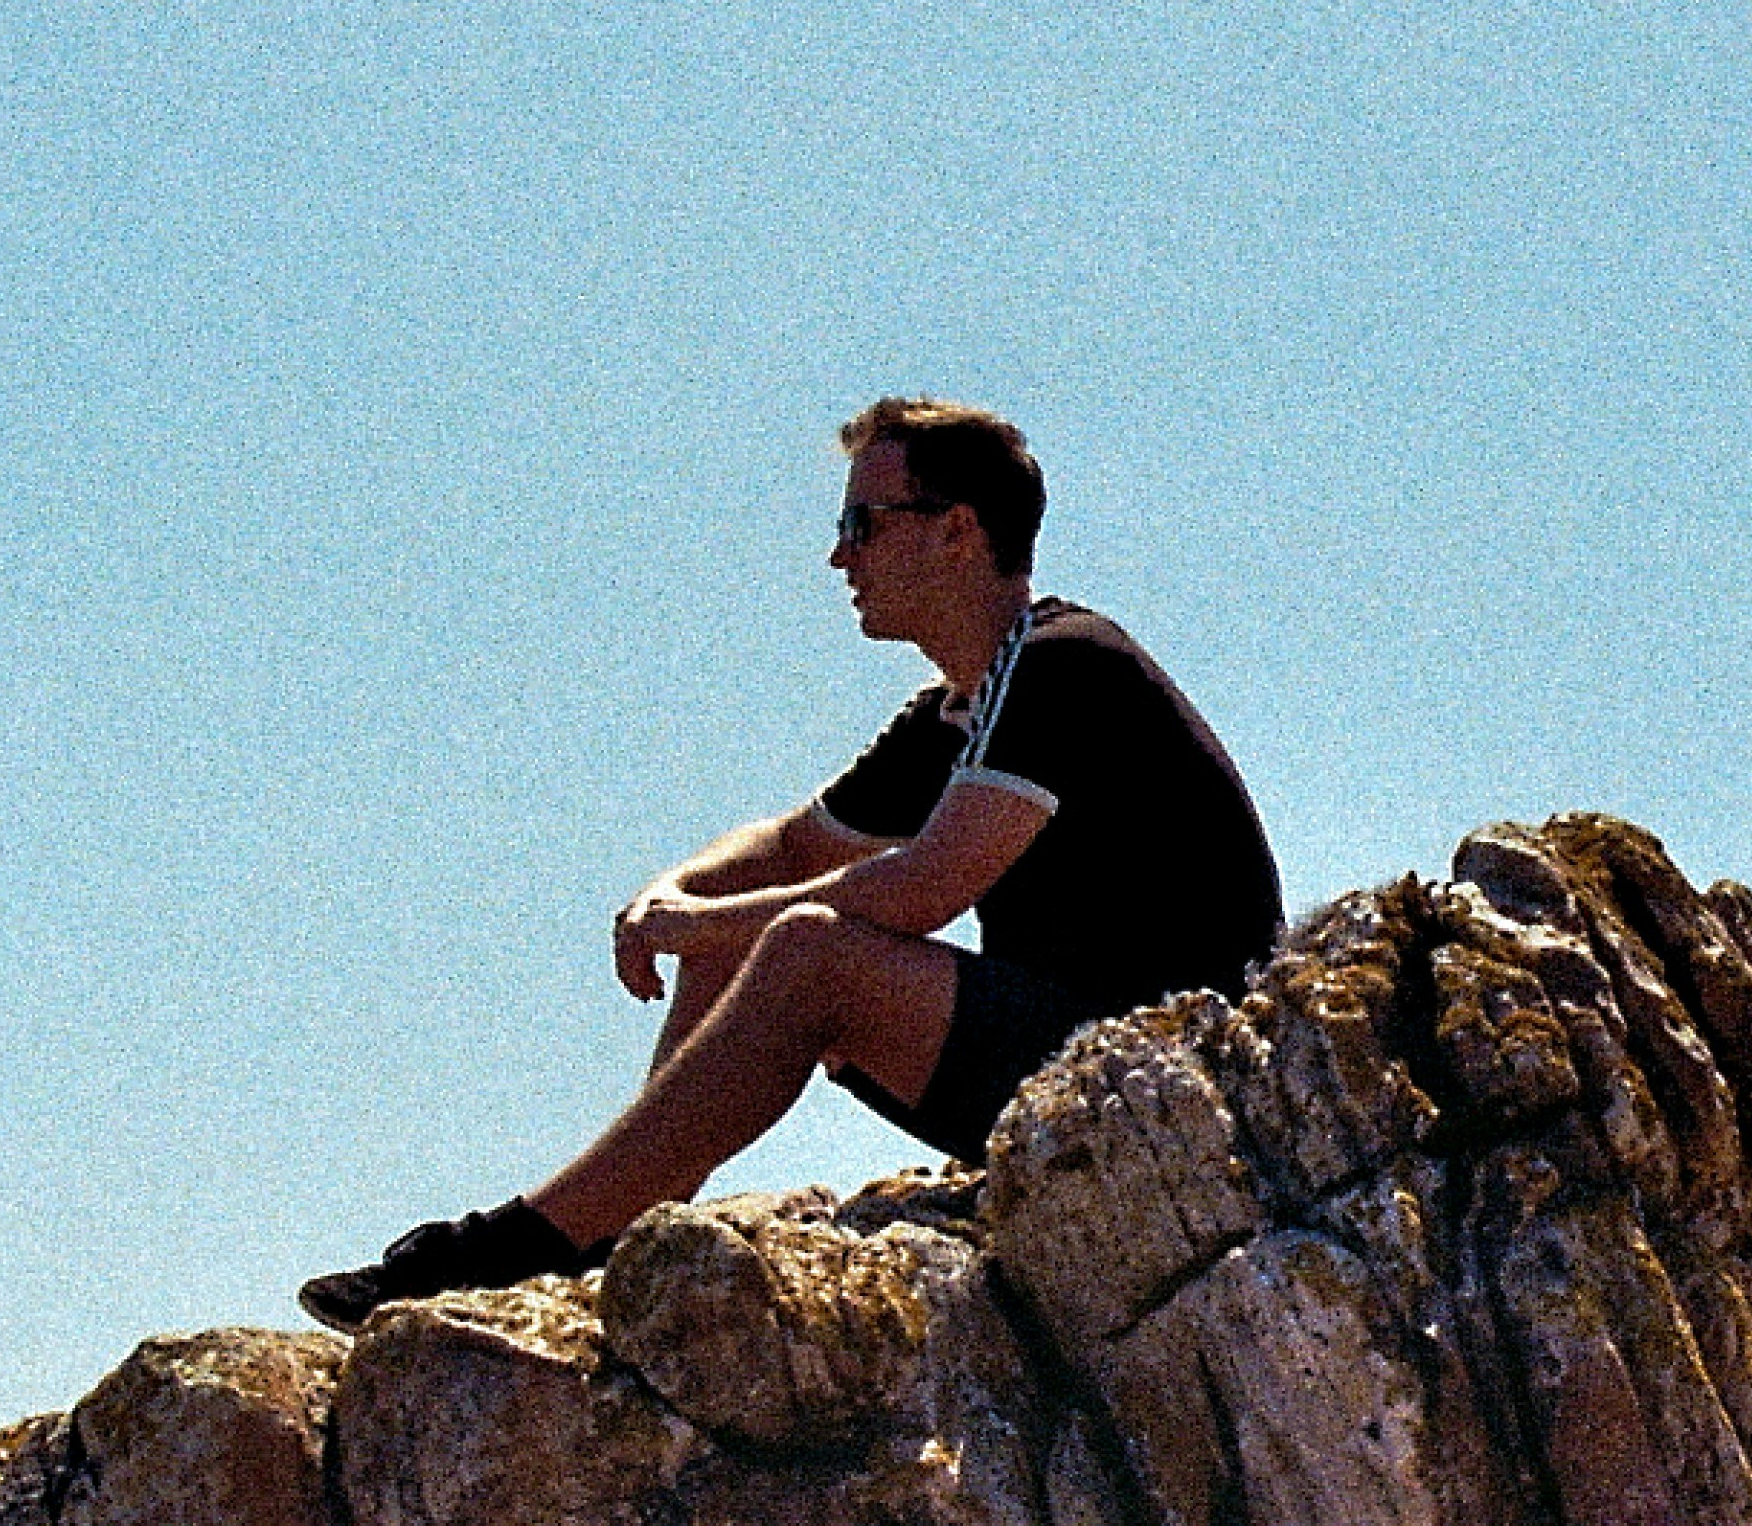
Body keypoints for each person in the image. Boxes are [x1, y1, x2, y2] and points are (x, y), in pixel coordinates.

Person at [300, 397, 1283, 1330]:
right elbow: (791, 846)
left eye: (864, 522)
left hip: (1170, 1096)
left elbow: (914, 891)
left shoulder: (1067, 666)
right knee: (750, 919)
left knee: (807, 949)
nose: (838, 554)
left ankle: (526, 1242)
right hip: (1068, 1069)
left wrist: (702, 924)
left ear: (957, 531)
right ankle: (628, 1220)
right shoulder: (958, 709)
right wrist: (672, 897)